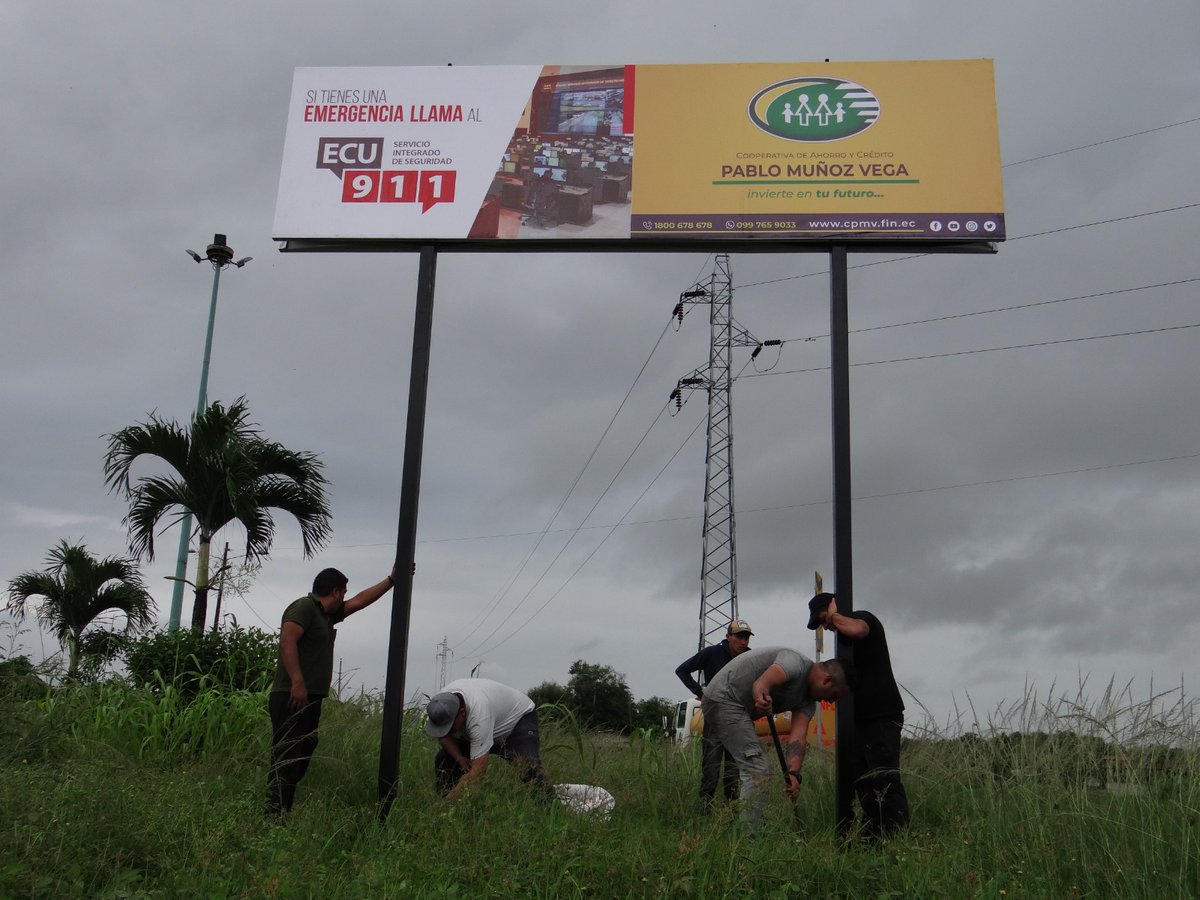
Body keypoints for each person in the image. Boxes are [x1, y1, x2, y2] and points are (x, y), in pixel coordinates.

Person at [264, 566, 394, 818]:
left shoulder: (326, 615)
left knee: (305, 748)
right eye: (343, 592)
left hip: (310, 697)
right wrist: (298, 683)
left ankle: (282, 809)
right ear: (335, 592)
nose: (346, 597)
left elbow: (360, 601)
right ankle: (273, 814)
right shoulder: (304, 607)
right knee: (287, 753)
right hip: (291, 695)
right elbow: (287, 640)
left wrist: (391, 580)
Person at [702, 645, 855, 831]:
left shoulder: (807, 703)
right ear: (827, 680)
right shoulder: (794, 663)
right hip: (724, 697)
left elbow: (797, 738)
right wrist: (761, 697)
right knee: (758, 769)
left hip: (740, 709)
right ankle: (750, 837)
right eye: (834, 695)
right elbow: (761, 683)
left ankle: (751, 823)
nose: (831, 702)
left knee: (756, 768)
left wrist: (793, 774)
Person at [808, 591, 910, 839]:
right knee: (863, 781)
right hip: (859, 721)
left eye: (824, 619)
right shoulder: (844, 642)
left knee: (884, 778)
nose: (826, 626)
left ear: (833, 607)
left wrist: (835, 616)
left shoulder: (862, 619)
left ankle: (896, 837)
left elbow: (858, 630)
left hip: (882, 715)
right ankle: (873, 835)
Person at [425, 677, 553, 802]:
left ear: (462, 712)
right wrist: (458, 757)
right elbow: (443, 735)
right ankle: (445, 810)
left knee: (528, 765)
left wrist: (450, 800)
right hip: (485, 723)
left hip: (517, 721)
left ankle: (550, 806)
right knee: (445, 760)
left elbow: (479, 769)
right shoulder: (439, 706)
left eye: (450, 726)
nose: (447, 731)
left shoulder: (478, 715)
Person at [674, 618, 754, 810]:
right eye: (739, 637)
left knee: (733, 769)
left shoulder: (751, 657)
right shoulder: (713, 653)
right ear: (728, 637)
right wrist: (702, 694)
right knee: (711, 767)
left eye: (747, 638)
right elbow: (682, 670)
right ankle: (705, 809)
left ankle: (730, 810)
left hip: (738, 719)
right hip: (715, 716)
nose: (744, 642)